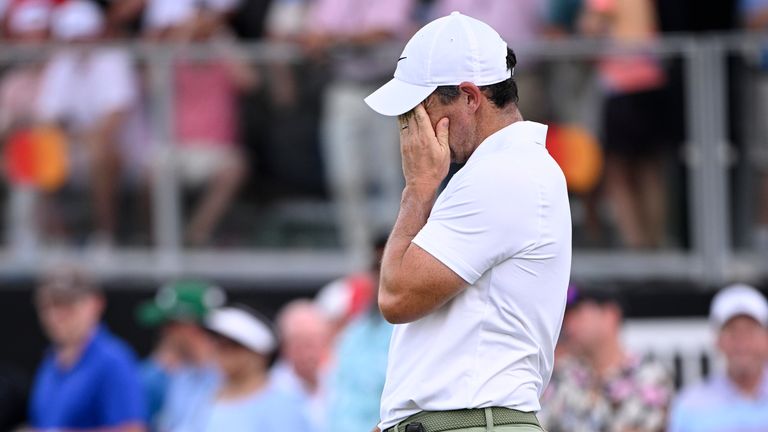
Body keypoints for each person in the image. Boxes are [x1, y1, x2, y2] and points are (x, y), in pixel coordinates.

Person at [365, 12, 572, 432]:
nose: (411, 127)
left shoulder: (504, 173)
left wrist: (418, 188)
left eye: (421, 109)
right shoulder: (500, 169)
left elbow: (396, 296)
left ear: (469, 97)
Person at [304, 0, 415, 255]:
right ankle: (358, 255)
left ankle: (394, 252)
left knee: (390, 174)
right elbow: (311, 39)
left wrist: (334, 40)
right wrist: (347, 40)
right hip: (344, 87)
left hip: (386, 85)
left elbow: (381, 33)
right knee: (345, 177)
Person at [143, 1, 256, 246]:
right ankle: (160, 239)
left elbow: (249, 81)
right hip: (177, 148)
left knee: (235, 168)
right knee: (154, 170)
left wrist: (221, 37)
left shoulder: (222, 55)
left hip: (216, 149)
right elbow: (154, 83)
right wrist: (183, 35)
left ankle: (196, 234)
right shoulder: (177, 59)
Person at [36, 0, 140, 249]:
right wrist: (74, 138)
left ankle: (105, 236)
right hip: (76, 146)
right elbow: (49, 117)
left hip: (125, 150)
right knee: (37, 151)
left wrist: (80, 138)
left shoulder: (113, 59)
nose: (78, 42)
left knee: (99, 153)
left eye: (82, 35)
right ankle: (57, 239)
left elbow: (115, 117)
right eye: (72, 37)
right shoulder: (61, 63)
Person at [29, 265, 146, 432]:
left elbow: (132, 429)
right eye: (48, 306)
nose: (56, 315)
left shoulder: (113, 360)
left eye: (67, 304)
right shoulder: (50, 361)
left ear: (95, 304)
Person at [538, 287, 673, 432]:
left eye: (578, 314)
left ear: (610, 315)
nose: (568, 325)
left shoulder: (650, 376)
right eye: (565, 317)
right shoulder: (561, 375)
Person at [169, 305, 311, 431]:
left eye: (233, 346)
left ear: (259, 354)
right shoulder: (201, 397)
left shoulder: (284, 406)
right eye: (219, 342)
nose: (222, 351)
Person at [667, 284, 768, 432]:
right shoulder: (690, 405)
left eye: (750, 332)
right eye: (733, 333)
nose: (742, 343)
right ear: (718, 340)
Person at [325, 235, 393, 432]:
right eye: (377, 267)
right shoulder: (354, 332)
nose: (382, 275)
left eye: (390, 265)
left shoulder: (419, 331)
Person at [139, 280, 226, 432]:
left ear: (189, 327)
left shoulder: (229, 375)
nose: (164, 333)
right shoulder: (172, 376)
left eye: (169, 325)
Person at [271, 299, 332, 432]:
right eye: (301, 344)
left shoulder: (339, 381)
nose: (309, 354)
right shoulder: (269, 389)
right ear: (284, 347)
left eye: (316, 343)